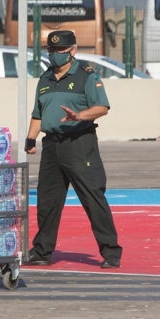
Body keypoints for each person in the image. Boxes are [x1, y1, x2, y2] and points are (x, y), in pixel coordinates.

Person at [23, 30, 122, 269]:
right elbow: (38, 113)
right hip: (52, 146)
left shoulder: (87, 76)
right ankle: (43, 250)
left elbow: (102, 107)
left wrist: (79, 115)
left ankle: (111, 251)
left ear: (73, 51)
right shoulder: (45, 79)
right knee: (48, 201)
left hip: (79, 143)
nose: (55, 55)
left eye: (60, 51)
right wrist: (30, 139)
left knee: (92, 197)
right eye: (52, 51)